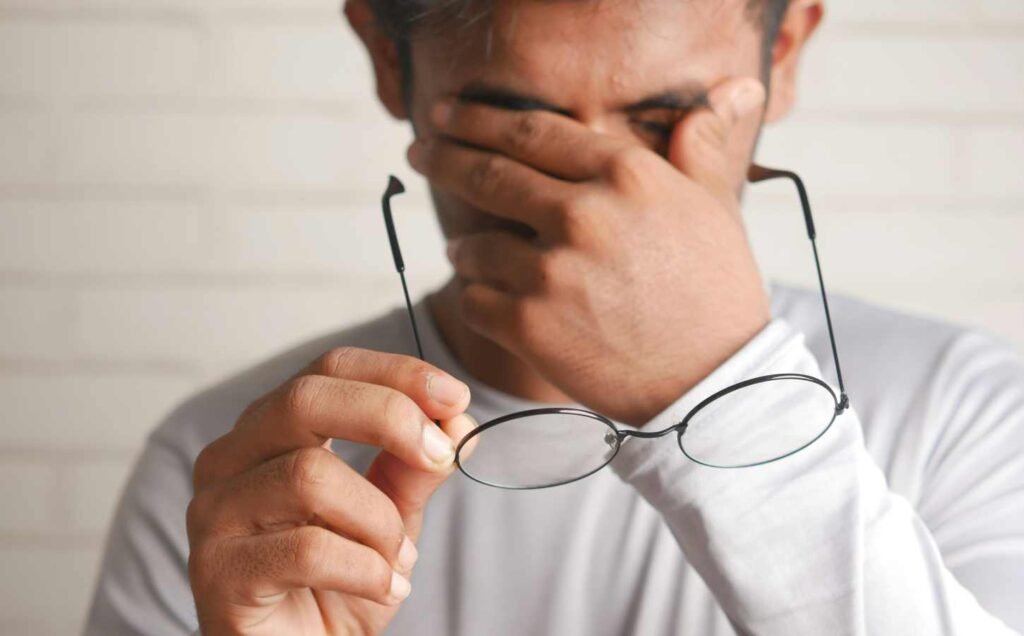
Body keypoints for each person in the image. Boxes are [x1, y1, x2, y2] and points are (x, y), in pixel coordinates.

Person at [84, 0, 1024, 633]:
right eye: (515, 126)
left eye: (661, 122)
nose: (595, 198)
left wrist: (721, 386)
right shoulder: (242, 472)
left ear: (781, 53)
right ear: (385, 53)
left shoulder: (965, 417)